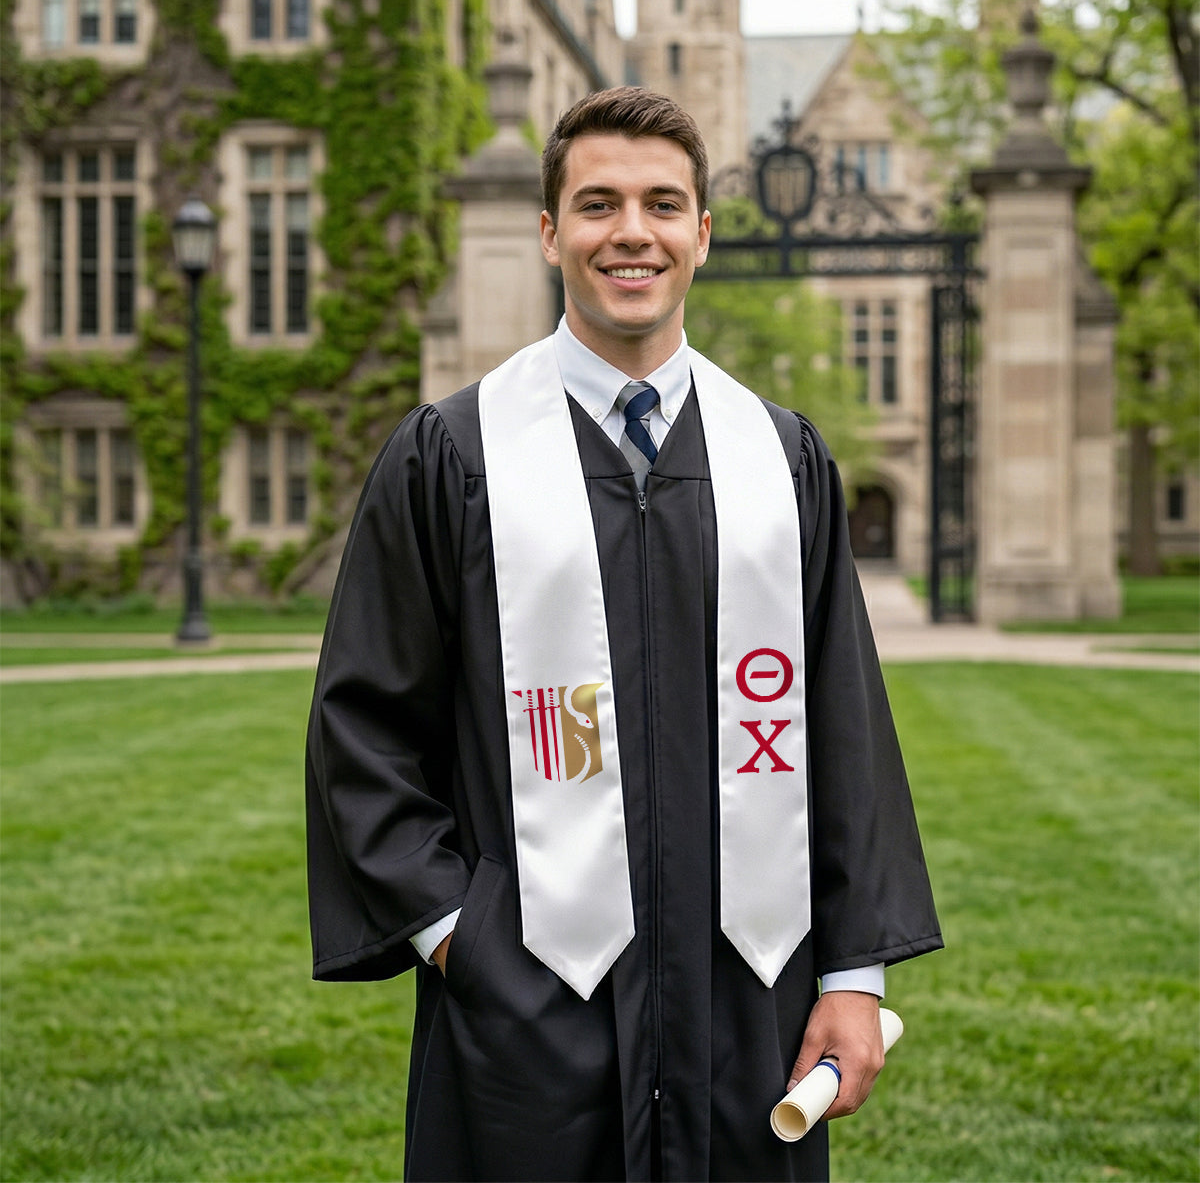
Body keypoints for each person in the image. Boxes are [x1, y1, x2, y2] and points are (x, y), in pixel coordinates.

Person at [306, 85, 942, 1182]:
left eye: (662, 203)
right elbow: (364, 726)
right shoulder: (455, 458)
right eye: (597, 204)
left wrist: (854, 978)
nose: (631, 232)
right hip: (533, 998)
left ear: (704, 230)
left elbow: (842, 727)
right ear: (550, 232)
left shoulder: (779, 461)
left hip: (752, 996)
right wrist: (459, 937)